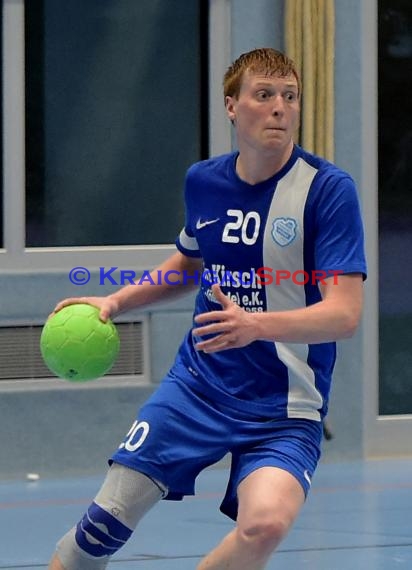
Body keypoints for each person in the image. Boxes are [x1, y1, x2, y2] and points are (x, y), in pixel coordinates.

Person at [48, 47, 366, 570]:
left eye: (290, 96)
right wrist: (115, 298)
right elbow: (187, 265)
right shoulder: (204, 181)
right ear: (232, 107)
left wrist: (255, 325)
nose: (280, 108)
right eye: (264, 95)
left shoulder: (327, 191)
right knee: (99, 528)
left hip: (284, 407)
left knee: (264, 524)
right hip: (197, 387)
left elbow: (344, 315)